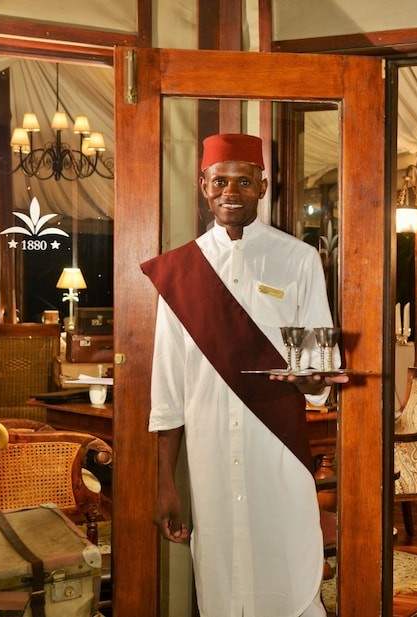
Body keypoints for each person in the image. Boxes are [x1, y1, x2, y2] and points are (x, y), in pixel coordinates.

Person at [141, 133, 346, 617]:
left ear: (263, 186)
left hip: (278, 445)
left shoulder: (298, 259)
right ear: (203, 186)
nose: (230, 191)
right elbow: (168, 389)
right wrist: (165, 483)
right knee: (221, 574)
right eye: (220, 181)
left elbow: (318, 365)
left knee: (290, 560)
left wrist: (313, 379)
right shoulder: (181, 272)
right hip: (209, 451)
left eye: (243, 181)